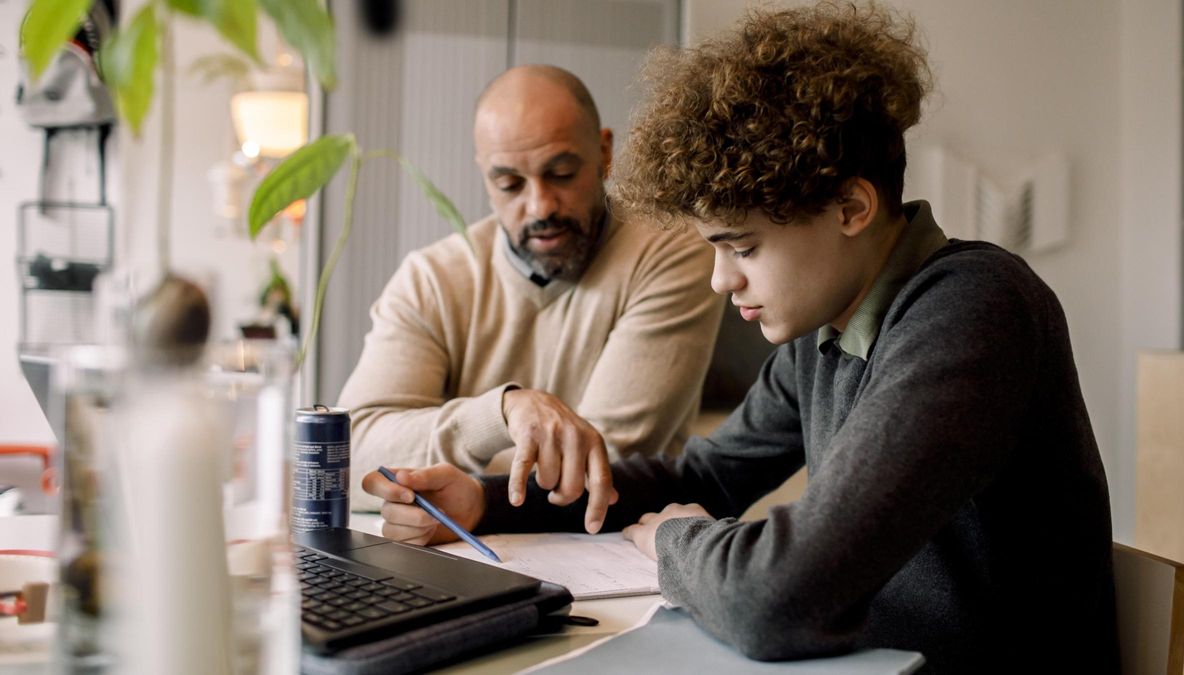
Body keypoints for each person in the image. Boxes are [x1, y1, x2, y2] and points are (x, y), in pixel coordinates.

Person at [361, 4, 1118, 672]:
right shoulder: (823, 332)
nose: (722, 281)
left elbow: (774, 598)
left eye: (743, 247)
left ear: (851, 205)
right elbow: (707, 478)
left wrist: (675, 546)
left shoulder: (973, 311)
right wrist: (486, 502)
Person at [340, 65, 724, 515]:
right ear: (485, 176)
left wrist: (446, 480)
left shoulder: (670, 250)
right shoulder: (430, 279)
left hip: (618, 550)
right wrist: (499, 415)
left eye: (561, 173)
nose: (540, 205)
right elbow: (346, 459)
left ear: (604, 153)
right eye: (510, 184)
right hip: (460, 550)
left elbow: (604, 462)